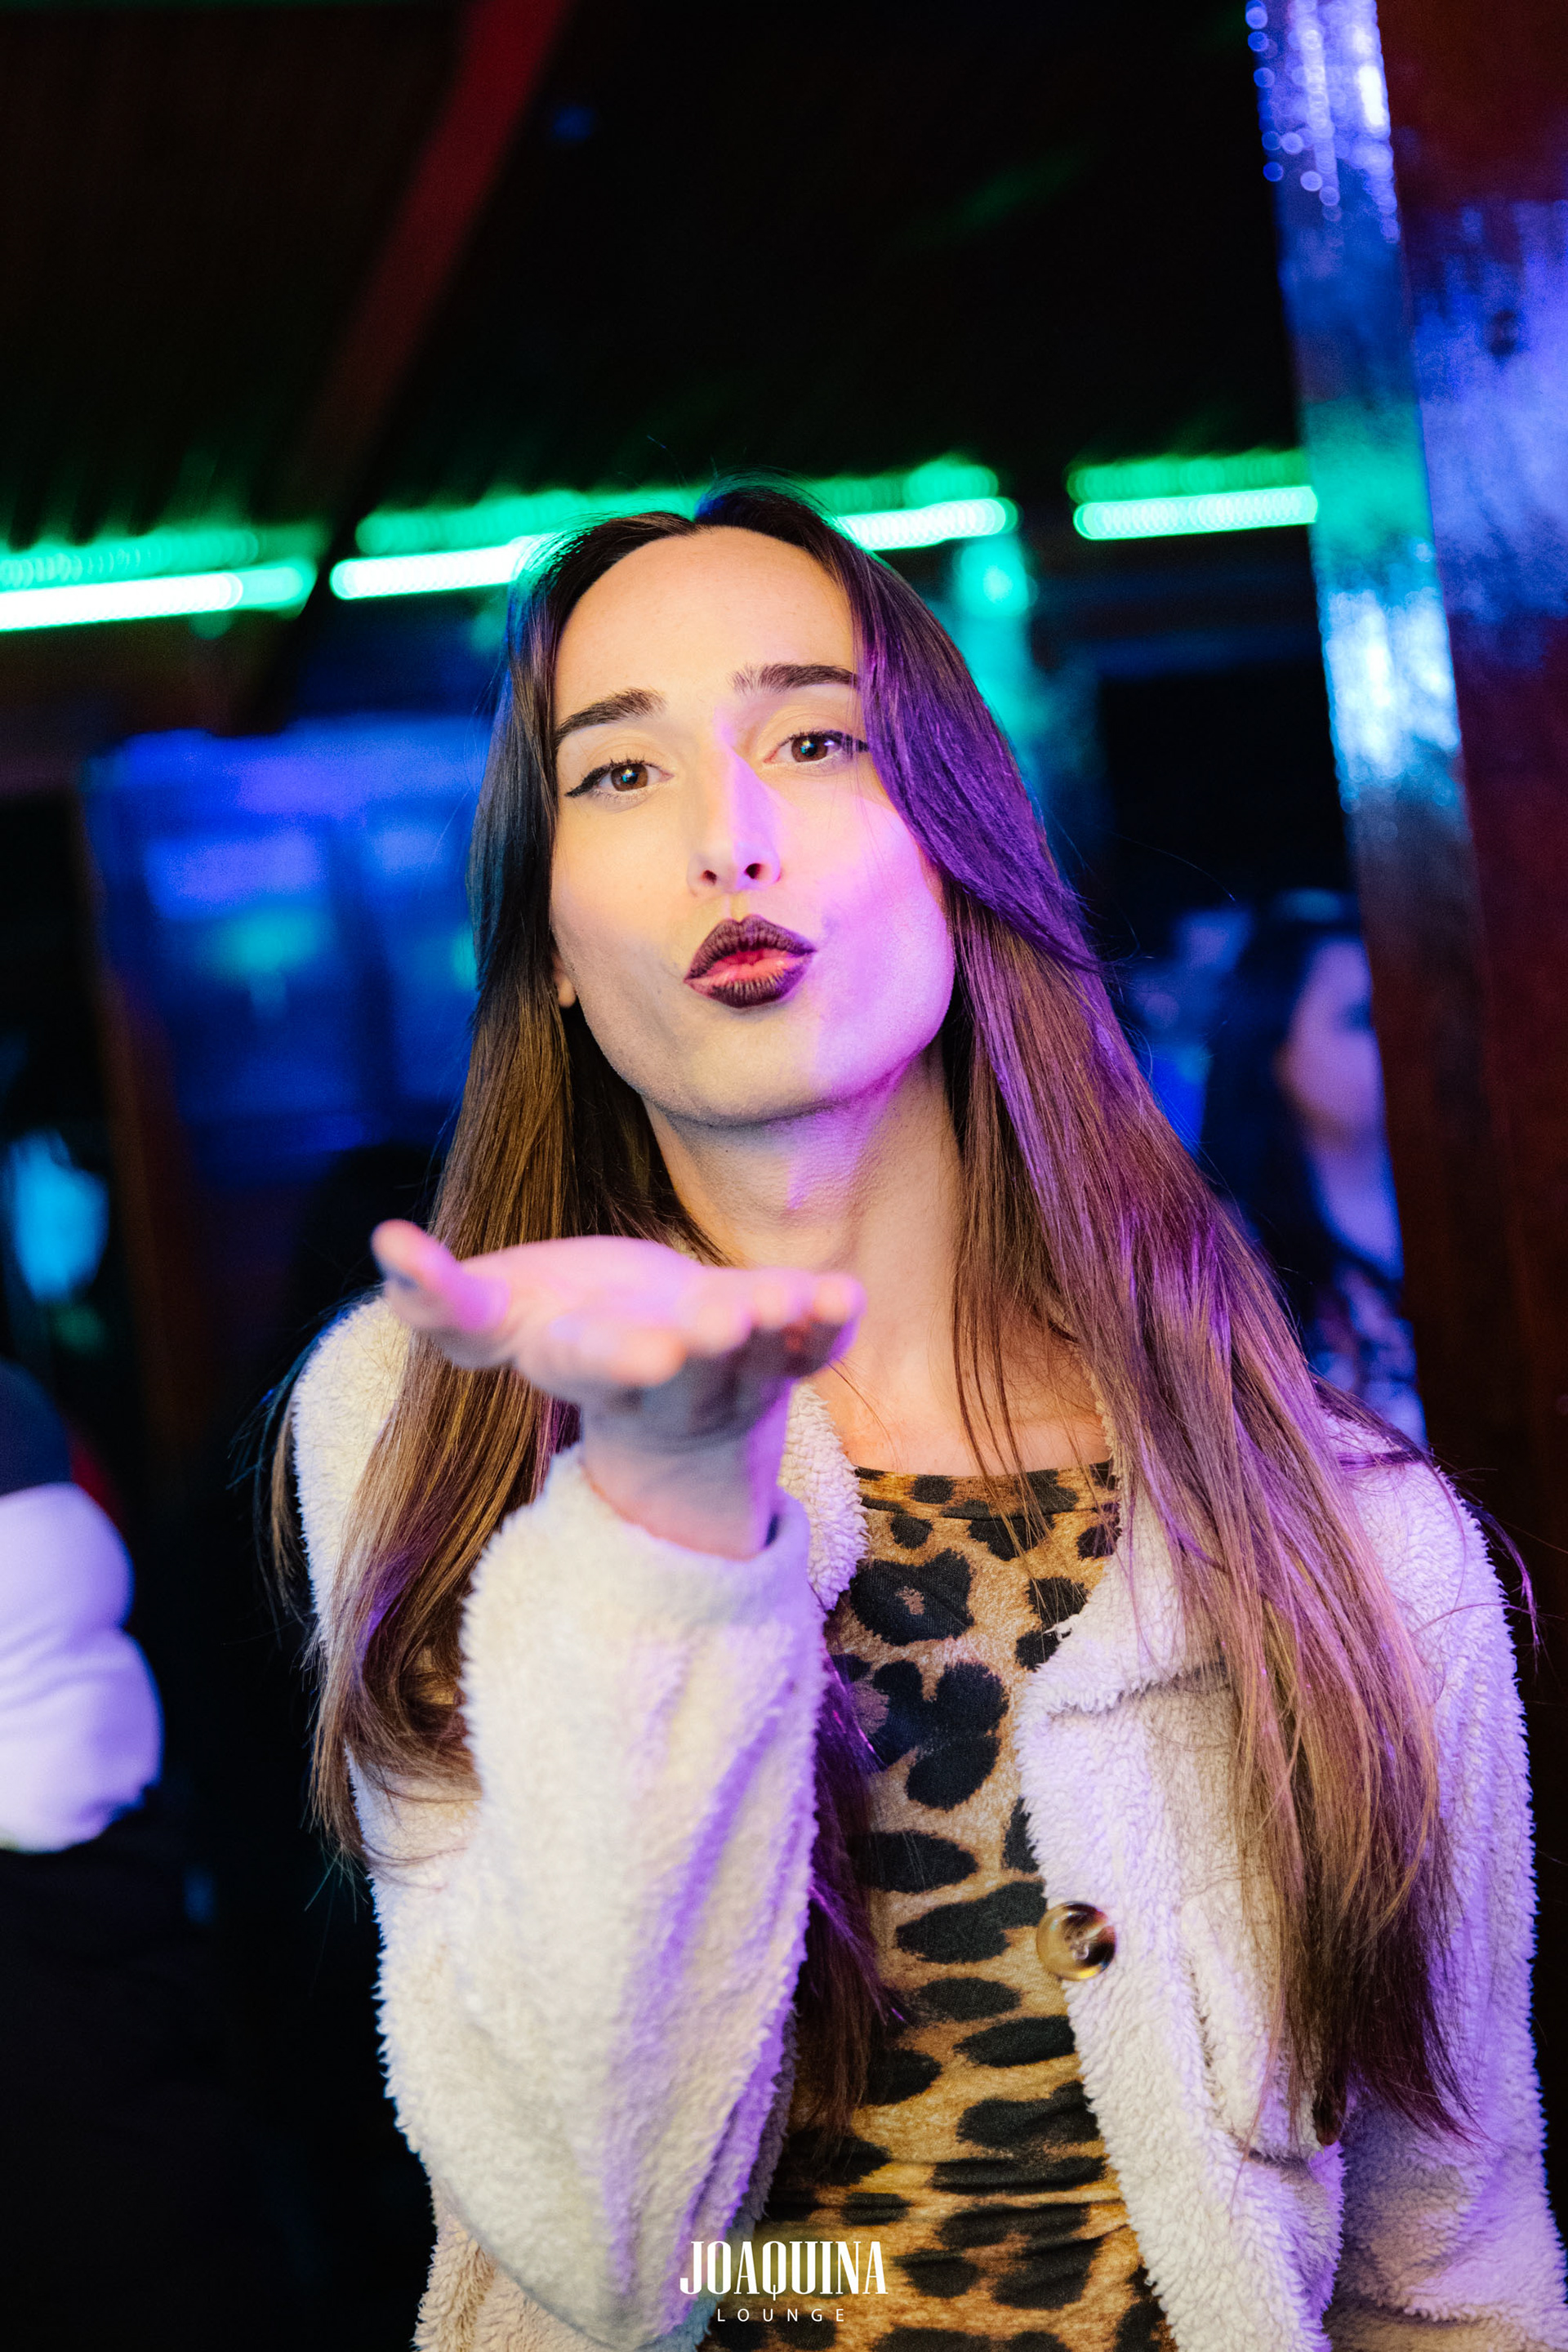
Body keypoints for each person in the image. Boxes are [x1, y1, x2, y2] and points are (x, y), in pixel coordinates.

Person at [276, 487, 1566, 2352]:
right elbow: (612, 2251)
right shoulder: (450, 1422)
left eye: (813, 741)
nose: (727, 834)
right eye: (619, 774)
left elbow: (1445, 2275)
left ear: (960, 842)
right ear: (547, 935)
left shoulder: (1348, 1527)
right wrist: (666, 1514)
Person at [1199, 895, 1425, 1446]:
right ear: (1271, 1049)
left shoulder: (1490, 1211)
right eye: (1363, 1018)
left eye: (1409, 1008)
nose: (1401, 1035)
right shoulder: (1230, 1256)